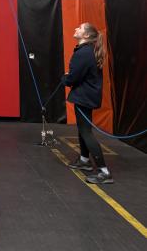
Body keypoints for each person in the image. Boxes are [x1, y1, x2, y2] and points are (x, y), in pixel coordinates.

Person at [63, 22, 113, 184]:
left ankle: (104, 172)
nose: (76, 28)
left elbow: (73, 78)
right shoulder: (87, 51)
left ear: (85, 35)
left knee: (86, 132)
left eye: (80, 28)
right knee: (83, 129)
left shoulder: (83, 53)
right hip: (86, 96)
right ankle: (84, 160)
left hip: (84, 97)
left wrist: (65, 78)